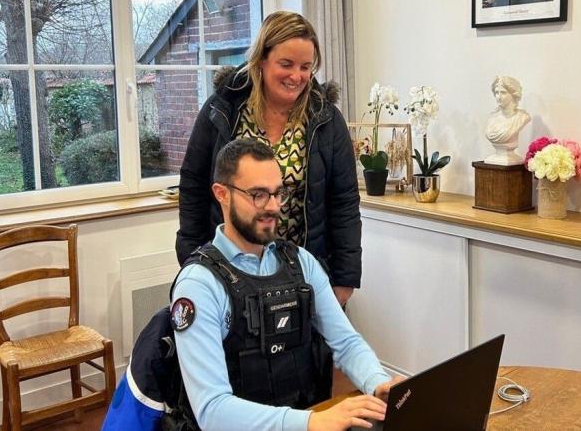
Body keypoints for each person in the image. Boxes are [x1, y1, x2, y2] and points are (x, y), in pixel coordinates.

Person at [103, 139, 401, 431]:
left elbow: (346, 342)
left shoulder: (302, 263)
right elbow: (212, 410)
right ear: (222, 194)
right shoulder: (200, 285)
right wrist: (310, 422)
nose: (273, 207)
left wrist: (377, 382)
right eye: (258, 194)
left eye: (277, 193)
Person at [176, 11, 359, 307]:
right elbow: (194, 186)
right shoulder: (223, 109)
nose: (296, 76)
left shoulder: (325, 118)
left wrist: (344, 279)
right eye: (285, 64)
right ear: (261, 60)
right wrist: (192, 260)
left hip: (304, 275)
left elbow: (345, 202)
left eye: (305, 67)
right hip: (230, 275)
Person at [484, 75, 531, 166]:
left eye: (503, 93)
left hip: (510, 160)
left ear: (514, 94)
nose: (499, 97)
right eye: (497, 93)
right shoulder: (492, 118)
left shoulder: (521, 117)